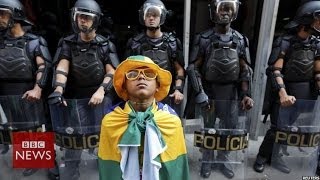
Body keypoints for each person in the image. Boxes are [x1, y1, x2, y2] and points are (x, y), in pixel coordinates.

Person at [48, 0, 119, 179]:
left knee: (104, 135)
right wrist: (58, 89)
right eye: (80, 17)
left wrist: (102, 90)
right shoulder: (67, 43)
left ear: (95, 20)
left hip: (100, 96)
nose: (83, 21)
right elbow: (62, 67)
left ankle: (105, 166)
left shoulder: (105, 44)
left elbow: (112, 71)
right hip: (76, 97)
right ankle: (71, 171)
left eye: (87, 17)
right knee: (75, 136)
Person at [187, 0, 253, 178]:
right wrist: (200, 92)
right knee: (209, 129)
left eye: (229, 9)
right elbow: (193, 67)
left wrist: (246, 95)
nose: (224, 13)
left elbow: (245, 70)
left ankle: (223, 160)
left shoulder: (240, 39)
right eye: (221, 9)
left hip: (231, 93)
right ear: (213, 12)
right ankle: (207, 160)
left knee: (229, 129)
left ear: (234, 13)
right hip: (209, 91)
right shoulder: (204, 38)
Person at [253, 1, 320, 174]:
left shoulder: (316, 43)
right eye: (318, 19)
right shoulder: (285, 41)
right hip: (285, 91)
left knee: (289, 129)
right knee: (276, 128)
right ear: (307, 19)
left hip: (304, 93)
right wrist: (283, 94)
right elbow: (275, 70)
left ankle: (277, 156)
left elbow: (317, 71)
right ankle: (262, 156)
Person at [98, 55, 189, 180]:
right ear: (124, 85)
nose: (141, 77)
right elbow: (108, 169)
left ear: (158, 85)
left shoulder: (171, 121)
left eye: (149, 74)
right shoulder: (111, 121)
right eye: (132, 74)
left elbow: (177, 169)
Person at [0, 0, 52, 177]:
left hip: (27, 91)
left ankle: (38, 163)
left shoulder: (34, 42)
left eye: (3, 14)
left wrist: (38, 88)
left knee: (34, 128)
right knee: (15, 128)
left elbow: (44, 66)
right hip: (5, 93)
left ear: (16, 15)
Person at [125, 0, 185, 116]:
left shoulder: (172, 43)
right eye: (148, 15)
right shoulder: (135, 43)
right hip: (141, 96)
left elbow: (180, 70)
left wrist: (178, 89)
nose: (151, 18)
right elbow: (127, 72)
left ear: (161, 17)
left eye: (155, 15)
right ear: (143, 17)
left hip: (167, 94)